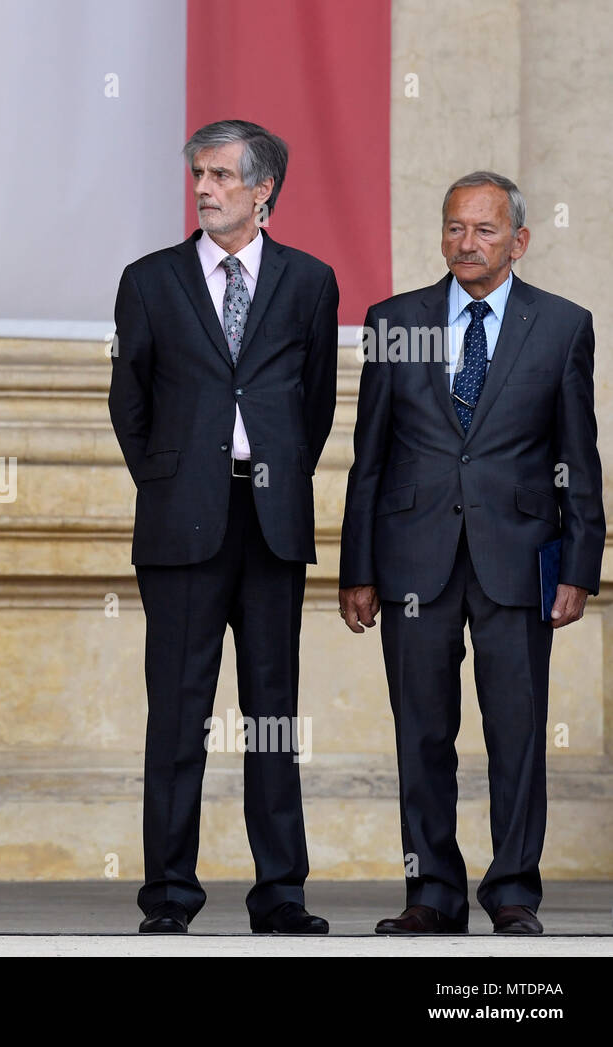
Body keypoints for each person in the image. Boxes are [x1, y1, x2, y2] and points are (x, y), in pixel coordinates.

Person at [339, 171, 603, 935]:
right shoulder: (394, 320)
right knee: (422, 728)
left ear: (518, 240)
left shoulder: (561, 325)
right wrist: (358, 568)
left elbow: (577, 455)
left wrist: (580, 565)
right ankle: (433, 894)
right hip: (412, 557)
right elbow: (369, 458)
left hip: (518, 556)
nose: (467, 242)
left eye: (485, 230)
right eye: (455, 227)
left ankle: (514, 890)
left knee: (517, 730)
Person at [109, 119, 338, 934]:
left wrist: (268, 476)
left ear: (263, 189)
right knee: (176, 715)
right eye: (197, 175)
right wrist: (173, 482)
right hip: (182, 526)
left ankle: (281, 895)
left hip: (271, 522)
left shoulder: (311, 281)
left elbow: (312, 405)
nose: (204, 189)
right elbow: (128, 403)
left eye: (220, 176)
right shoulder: (149, 280)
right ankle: (169, 897)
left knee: (273, 713)